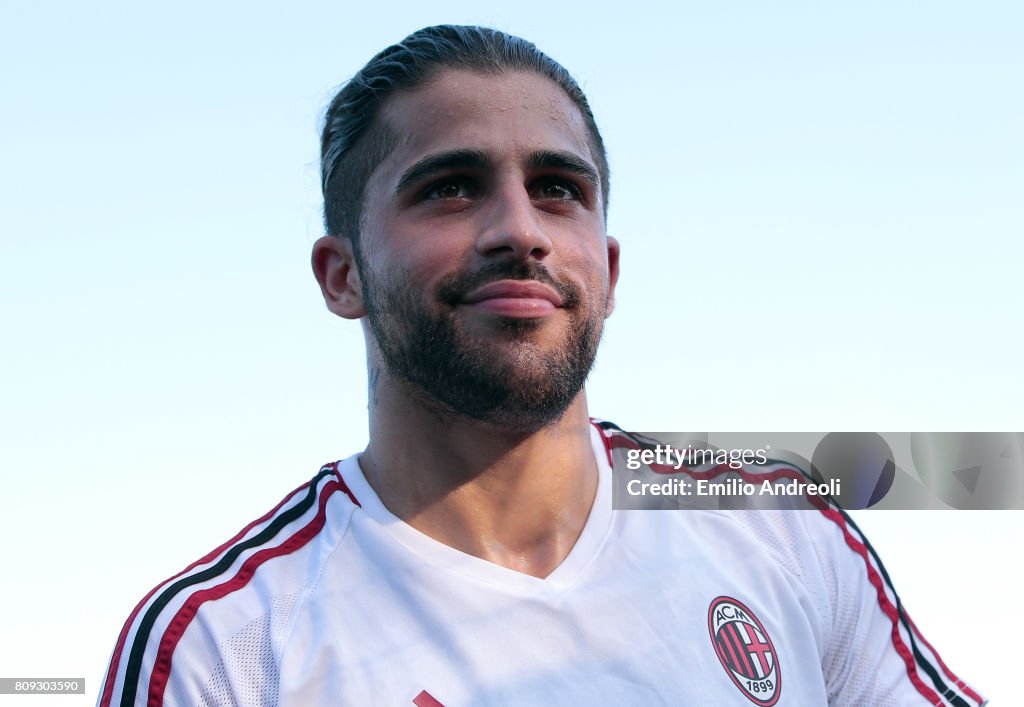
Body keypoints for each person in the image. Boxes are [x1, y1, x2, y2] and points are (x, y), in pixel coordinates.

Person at [98, 25, 985, 706]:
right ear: (342, 276)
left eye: (558, 188)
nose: (520, 229)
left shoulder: (778, 531)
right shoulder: (224, 643)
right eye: (450, 186)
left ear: (608, 267)